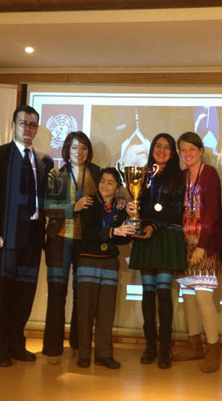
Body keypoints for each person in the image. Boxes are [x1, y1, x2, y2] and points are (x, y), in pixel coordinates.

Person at [0, 105, 53, 367]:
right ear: (13, 125)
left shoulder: (45, 161)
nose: (28, 128)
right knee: (1, 294)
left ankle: (16, 344)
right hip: (4, 238)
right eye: (23, 123)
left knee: (24, 294)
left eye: (33, 124)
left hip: (32, 237)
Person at [127, 133, 186, 369]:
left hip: (166, 236)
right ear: (152, 149)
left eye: (167, 147)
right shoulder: (143, 174)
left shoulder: (178, 176)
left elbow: (175, 209)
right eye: (158, 146)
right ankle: (150, 345)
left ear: (172, 153)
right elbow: (139, 205)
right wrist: (132, 210)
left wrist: (154, 226)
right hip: (146, 238)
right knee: (148, 293)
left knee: (163, 293)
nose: (162, 150)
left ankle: (165, 347)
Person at [42, 132, 102, 364]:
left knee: (82, 295)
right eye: (75, 147)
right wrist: (73, 207)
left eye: (84, 148)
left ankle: (79, 344)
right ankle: (53, 350)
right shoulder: (56, 174)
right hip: (59, 240)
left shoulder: (97, 174)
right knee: (57, 294)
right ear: (67, 150)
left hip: (86, 242)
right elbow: (48, 208)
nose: (80, 152)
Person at [76, 167, 135, 369]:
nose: (104, 185)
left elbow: (124, 238)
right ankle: (84, 354)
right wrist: (113, 231)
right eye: (102, 181)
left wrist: (131, 221)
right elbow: (88, 231)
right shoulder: (89, 202)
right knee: (85, 310)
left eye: (110, 182)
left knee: (106, 312)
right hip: (88, 259)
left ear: (117, 188)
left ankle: (104, 354)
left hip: (109, 261)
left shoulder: (121, 206)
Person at [174, 131, 222, 373]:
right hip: (184, 243)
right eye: (183, 150)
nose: (187, 154)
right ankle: (193, 344)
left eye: (191, 149)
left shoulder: (210, 174)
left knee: (203, 296)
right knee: (189, 296)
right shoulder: (182, 176)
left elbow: (212, 212)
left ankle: (213, 347)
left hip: (206, 244)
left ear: (201, 151)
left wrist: (202, 246)